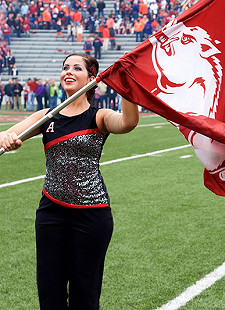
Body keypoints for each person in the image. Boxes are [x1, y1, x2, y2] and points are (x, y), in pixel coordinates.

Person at [0, 53, 139, 310]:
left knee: (84, 294)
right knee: (50, 292)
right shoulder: (47, 116)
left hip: (91, 215)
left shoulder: (99, 116)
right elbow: (8, 134)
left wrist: (126, 86)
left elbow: (128, 122)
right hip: (51, 213)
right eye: (65, 67)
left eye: (77, 67)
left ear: (91, 76)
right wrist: (7, 137)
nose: (69, 72)